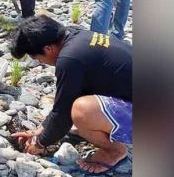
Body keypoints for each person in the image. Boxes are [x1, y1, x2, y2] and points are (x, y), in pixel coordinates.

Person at [8, 15, 132, 175]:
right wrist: (39, 131)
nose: (39, 62)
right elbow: (66, 101)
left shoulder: (69, 59)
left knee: (81, 112)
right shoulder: (78, 37)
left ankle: (115, 152)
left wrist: (38, 143)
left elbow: (63, 114)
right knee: (79, 111)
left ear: (47, 49)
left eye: (36, 58)